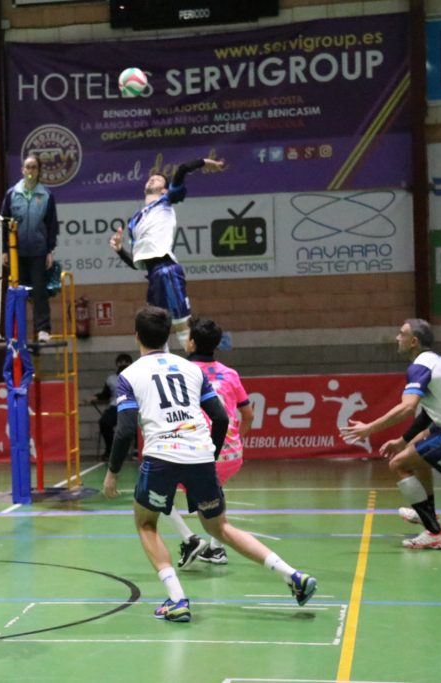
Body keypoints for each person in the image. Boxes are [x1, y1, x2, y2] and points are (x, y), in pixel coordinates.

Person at [102, 306, 316, 622]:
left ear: (136, 337)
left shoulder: (129, 376)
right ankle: (293, 576)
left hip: (161, 455)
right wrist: (209, 455)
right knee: (220, 528)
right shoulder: (191, 370)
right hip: (200, 455)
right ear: (168, 337)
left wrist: (112, 473)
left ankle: (177, 599)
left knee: (146, 524)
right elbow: (220, 417)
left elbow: (123, 431)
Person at [340, 318, 441, 549]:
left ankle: (435, 533)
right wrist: (403, 440)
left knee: (398, 464)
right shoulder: (435, 361)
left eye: (402, 334)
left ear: (414, 342)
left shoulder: (420, 366)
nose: (397, 338)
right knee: (415, 456)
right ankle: (426, 514)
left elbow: (407, 408)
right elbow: (428, 413)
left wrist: (369, 429)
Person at [109, 156, 225, 347]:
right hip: (153, 276)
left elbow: (183, 168)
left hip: (167, 269)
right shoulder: (134, 221)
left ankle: (198, 364)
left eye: (158, 179)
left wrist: (206, 163)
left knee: (183, 327)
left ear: (165, 189)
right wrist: (120, 250)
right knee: (154, 331)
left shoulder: (166, 200)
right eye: (150, 178)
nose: (152, 179)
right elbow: (138, 263)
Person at [167, 317, 254, 568]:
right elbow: (248, 415)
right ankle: (217, 549)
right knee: (214, 488)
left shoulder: (181, 372)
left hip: (198, 453)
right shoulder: (230, 373)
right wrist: (235, 440)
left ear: (192, 343)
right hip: (231, 455)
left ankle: (189, 539)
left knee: (154, 489)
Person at [0, 154, 59, 343]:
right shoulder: (12, 194)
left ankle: (43, 330)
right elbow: (3, 223)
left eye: (34, 167)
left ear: (38, 171)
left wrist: (50, 250)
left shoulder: (46, 195)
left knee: (39, 292)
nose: (30, 170)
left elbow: (51, 225)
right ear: (22, 170)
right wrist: (4, 250)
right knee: (17, 293)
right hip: (16, 253)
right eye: (28, 167)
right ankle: (17, 332)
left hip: (38, 252)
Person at [89, 353, 133, 460]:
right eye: (121, 362)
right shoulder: (111, 379)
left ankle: (136, 451)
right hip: (116, 407)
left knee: (139, 423)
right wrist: (96, 396)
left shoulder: (137, 377)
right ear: (117, 364)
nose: (123, 364)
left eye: (126, 362)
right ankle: (111, 450)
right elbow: (106, 394)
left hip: (133, 407)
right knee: (104, 422)